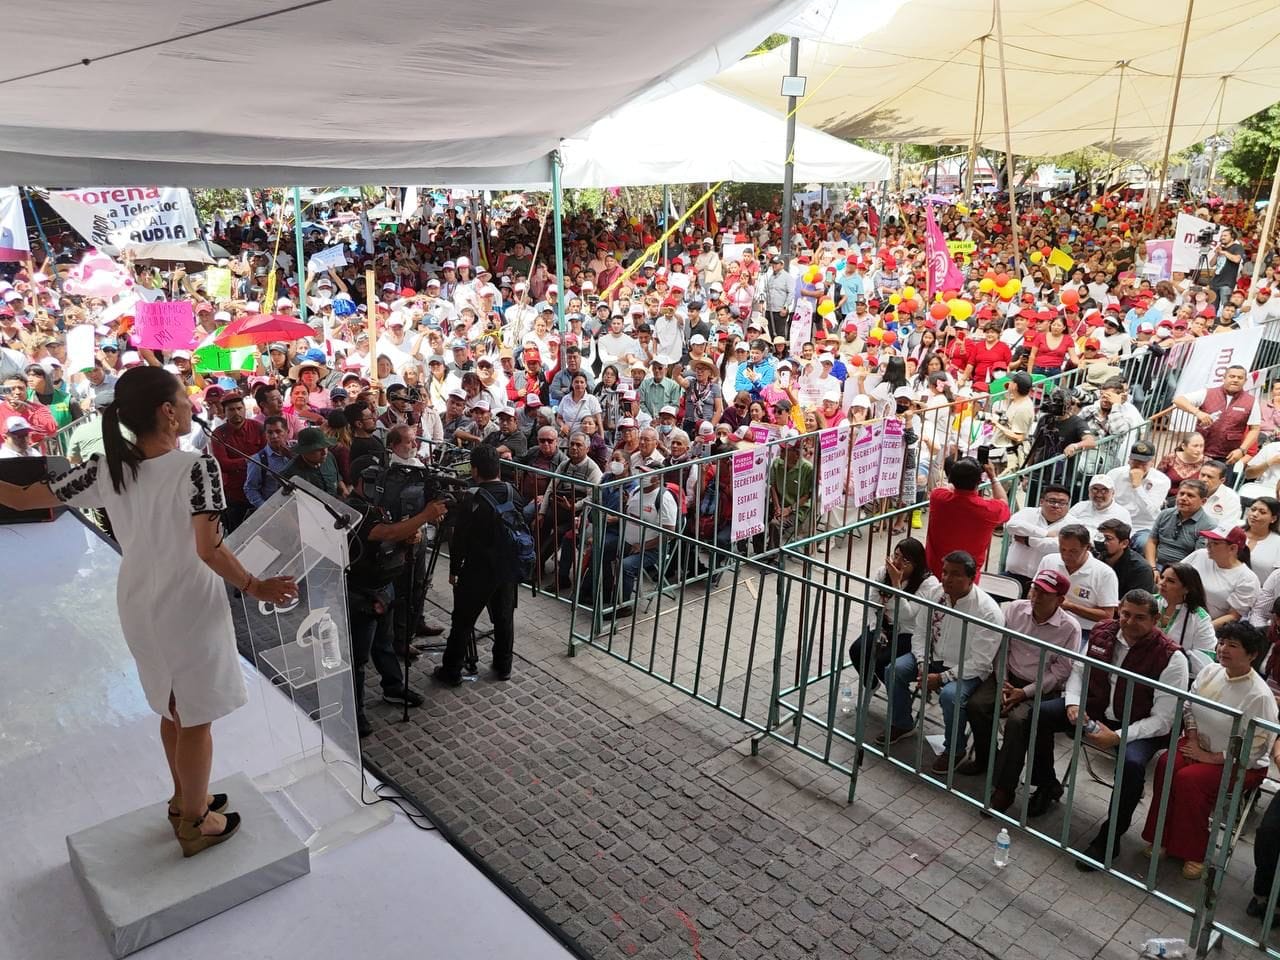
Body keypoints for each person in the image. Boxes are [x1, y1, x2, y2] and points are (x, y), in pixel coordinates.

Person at [0, 366, 297, 856]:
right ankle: (197, 822)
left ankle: (185, 798)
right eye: (184, 398)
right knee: (195, 716)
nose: (190, 406)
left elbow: (28, 496)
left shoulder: (106, 466)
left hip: (138, 601)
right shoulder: (196, 468)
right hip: (186, 604)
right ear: (166, 411)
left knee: (172, 708)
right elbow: (209, 549)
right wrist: (255, 585)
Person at [1032, 591, 1189, 870]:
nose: (1129, 622)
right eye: (1125, 614)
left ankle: (1110, 838)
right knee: (1039, 715)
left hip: (1141, 726)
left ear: (1156, 620)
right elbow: (1079, 671)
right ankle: (1046, 784)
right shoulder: (1103, 631)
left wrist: (1117, 736)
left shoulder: (1172, 658)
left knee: (1131, 765)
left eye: (1140, 617)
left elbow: (1164, 719)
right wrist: (1073, 704)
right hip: (1096, 708)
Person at [1142, 621, 1276, 879]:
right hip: (1198, 744)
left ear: (1252, 654)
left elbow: (1258, 747)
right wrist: (1192, 737)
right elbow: (1189, 705)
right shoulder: (1209, 672)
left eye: (1233, 646)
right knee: (1166, 764)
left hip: (1239, 762)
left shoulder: (1259, 696)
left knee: (1191, 781)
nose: (1223, 649)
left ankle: (1194, 851)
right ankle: (1162, 836)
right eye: (1222, 643)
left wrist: (1212, 757)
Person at [344, 455, 446, 735]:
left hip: (385, 585)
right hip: (361, 591)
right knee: (359, 658)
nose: (382, 486)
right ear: (361, 482)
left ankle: (393, 687)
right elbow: (381, 532)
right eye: (376, 481)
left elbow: (393, 535)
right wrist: (423, 517)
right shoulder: (352, 507)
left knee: (385, 643)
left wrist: (407, 535)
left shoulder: (379, 504)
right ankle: (355, 710)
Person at [963, 570, 1081, 806]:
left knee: (1019, 722)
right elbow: (1002, 647)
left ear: (1059, 600)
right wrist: (1004, 681)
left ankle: (1004, 788)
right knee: (977, 705)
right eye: (1035, 589)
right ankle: (987, 758)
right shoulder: (1015, 609)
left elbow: (1060, 672)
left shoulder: (1070, 628)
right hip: (1007, 677)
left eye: (1045, 593)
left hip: (1040, 688)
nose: (1036, 596)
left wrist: (1024, 693)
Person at [899, 551, 1003, 772]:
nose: (946, 579)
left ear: (971, 578)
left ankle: (954, 749)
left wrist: (943, 678)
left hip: (966, 669)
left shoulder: (988, 612)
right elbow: (920, 632)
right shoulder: (936, 594)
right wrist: (921, 664)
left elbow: (980, 662)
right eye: (945, 572)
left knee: (950, 696)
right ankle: (902, 723)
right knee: (896, 669)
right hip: (932, 659)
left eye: (955, 574)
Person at [434, 444, 524, 685]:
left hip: (477, 570)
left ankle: (451, 670)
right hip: (506, 569)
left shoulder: (471, 499)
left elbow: (459, 539)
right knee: (505, 619)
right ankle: (503, 666)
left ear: (474, 470)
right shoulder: (512, 492)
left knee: (463, 621)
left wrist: (454, 569)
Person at [848, 538, 938, 711]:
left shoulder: (927, 583)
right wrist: (877, 628)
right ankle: (873, 684)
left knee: (883, 660)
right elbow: (872, 603)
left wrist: (896, 584)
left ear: (916, 563)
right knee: (857, 650)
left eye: (904, 561)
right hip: (884, 626)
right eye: (895, 556)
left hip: (909, 632)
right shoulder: (883, 573)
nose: (897, 563)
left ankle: (899, 701)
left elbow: (908, 615)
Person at [924, 456, 1010, 580]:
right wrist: (993, 477)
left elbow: (948, 488)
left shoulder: (938, 498)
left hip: (933, 575)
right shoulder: (989, 510)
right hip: (966, 581)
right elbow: (1004, 502)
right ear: (979, 482)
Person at [1035, 524, 1119, 638]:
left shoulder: (1105, 574)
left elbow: (1107, 615)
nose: (1066, 555)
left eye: (1073, 551)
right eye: (1062, 549)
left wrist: (1070, 606)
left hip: (1084, 629)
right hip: (1046, 621)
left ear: (1088, 547)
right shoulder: (1049, 560)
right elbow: (1033, 593)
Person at [1173, 364, 1260, 468]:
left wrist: (1242, 450)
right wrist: (1198, 412)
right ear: (1224, 378)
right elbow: (1178, 400)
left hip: (1228, 456)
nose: (1235, 380)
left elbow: (1255, 429)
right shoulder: (1207, 393)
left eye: (1240, 378)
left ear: (1245, 381)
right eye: (1232, 376)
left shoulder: (1251, 401)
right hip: (1199, 451)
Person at [209, 391, 266, 532]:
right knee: (238, 534)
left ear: (244, 409)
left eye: (239, 408)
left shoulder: (258, 427)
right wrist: (251, 460)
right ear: (225, 412)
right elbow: (222, 464)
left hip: (260, 490)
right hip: (235, 494)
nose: (236, 413)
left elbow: (266, 456)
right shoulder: (218, 433)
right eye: (231, 409)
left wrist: (244, 462)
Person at [1003, 483, 1071, 593]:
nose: (1056, 505)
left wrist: (1028, 540)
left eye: (1062, 503)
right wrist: (1046, 534)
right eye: (1052, 501)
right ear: (1041, 501)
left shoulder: (1073, 524)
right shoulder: (1028, 512)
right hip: (1013, 576)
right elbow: (1011, 526)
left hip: (1047, 583)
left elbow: (1060, 546)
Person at [1185, 528, 1260, 627]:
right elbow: (1175, 574)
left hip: (1209, 626)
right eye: (1208, 541)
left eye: (1215, 543)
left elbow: (1233, 616)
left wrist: (1203, 629)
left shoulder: (1247, 579)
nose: (1208, 546)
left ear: (1232, 548)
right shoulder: (1200, 555)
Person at [1155, 563, 1218, 677]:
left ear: (1186, 588)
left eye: (1170, 581)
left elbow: (1206, 661)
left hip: (1176, 675)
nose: (1162, 583)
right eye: (1162, 577)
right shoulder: (1150, 602)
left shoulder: (1200, 618)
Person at [1105, 441, 1169, 549]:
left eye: (1143, 463)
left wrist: (1137, 486)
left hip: (1142, 526)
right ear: (1129, 459)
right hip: (1115, 523)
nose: (1138, 466)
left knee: (1144, 544)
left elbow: (1150, 510)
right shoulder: (1114, 474)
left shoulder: (1161, 480)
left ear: (1152, 462)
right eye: (1135, 461)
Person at [1146, 479, 1215, 570]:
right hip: (1156, 565)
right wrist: (1152, 568)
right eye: (1181, 494)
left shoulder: (1208, 525)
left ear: (1203, 501)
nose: (1183, 498)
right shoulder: (1165, 514)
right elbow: (1151, 541)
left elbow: (1197, 559)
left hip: (1183, 571)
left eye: (1190, 495)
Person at [1095, 518, 1155, 596]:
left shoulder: (1140, 569)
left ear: (1124, 543)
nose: (1102, 542)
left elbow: (1137, 604)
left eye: (1108, 539)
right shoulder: (1095, 557)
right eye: (1099, 537)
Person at [243, 415, 293, 509]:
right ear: (265, 434)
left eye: (278, 431)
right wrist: (266, 509)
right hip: (276, 509)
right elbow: (250, 489)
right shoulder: (258, 460)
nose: (274, 436)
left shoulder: (297, 452)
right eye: (270, 432)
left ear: (287, 432)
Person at [282, 426, 344, 496]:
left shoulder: (329, 457)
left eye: (326, 447)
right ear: (304, 451)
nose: (324, 452)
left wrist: (344, 492)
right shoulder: (289, 473)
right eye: (318, 449)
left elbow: (337, 478)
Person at [1066, 473, 1132, 536]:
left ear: (1113, 493)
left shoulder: (1122, 514)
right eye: (1095, 489)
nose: (1099, 494)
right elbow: (1064, 526)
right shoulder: (1079, 507)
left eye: (1104, 490)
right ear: (1089, 491)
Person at [1199, 459, 1242, 531]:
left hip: (1212, 538)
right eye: (1202, 475)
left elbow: (1227, 527)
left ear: (1222, 480)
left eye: (1209, 477)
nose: (1204, 479)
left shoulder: (1231, 498)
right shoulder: (1190, 489)